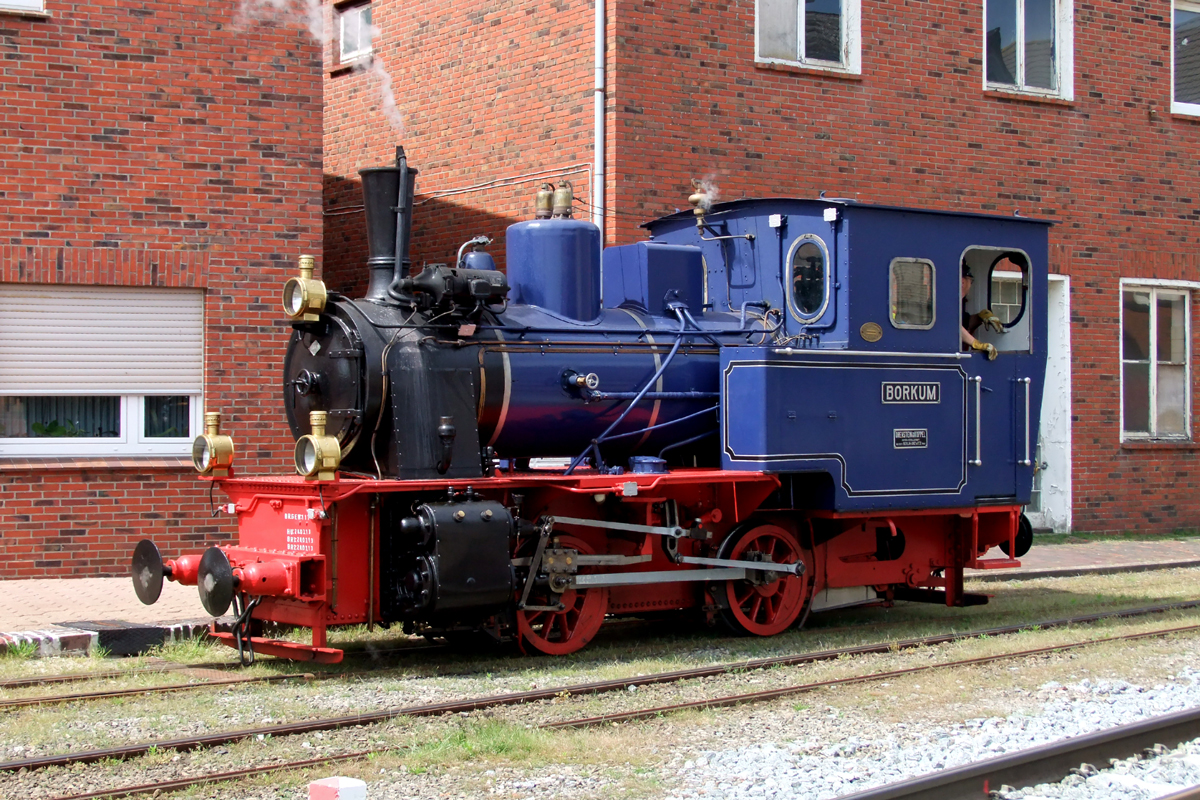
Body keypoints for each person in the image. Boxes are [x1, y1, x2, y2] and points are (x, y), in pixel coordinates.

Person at [960, 263, 1005, 359]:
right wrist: (976, 344)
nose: (970, 285)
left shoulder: (957, 303)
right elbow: (952, 326)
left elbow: (964, 323)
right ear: (963, 282)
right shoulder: (946, 301)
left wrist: (981, 316)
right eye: (971, 282)